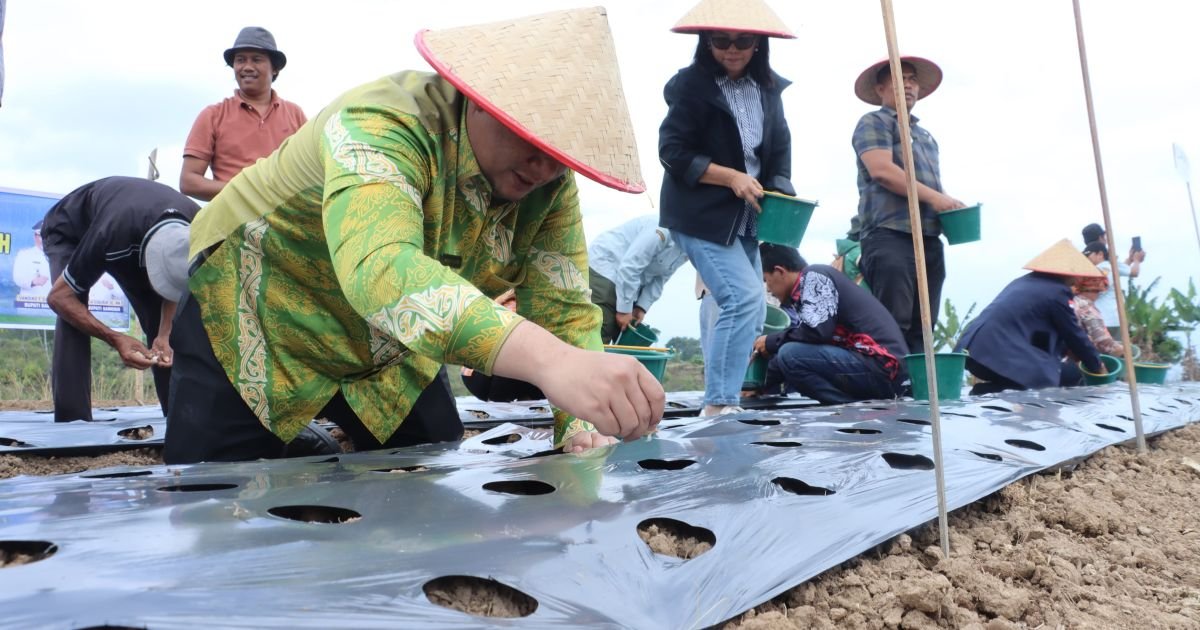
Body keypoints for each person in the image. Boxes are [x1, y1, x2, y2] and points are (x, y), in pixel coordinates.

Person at [165, 7, 663, 464]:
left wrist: (579, 422)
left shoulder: (548, 182)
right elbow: (382, 268)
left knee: (426, 465)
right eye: (533, 138)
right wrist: (552, 363)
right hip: (261, 306)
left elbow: (564, 305)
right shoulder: (383, 123)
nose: (546, 165)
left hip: (387, 345)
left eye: (564, 154)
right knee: (220, 496)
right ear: (481, 99)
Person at [659, 0, 796, 417]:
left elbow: (779, 155)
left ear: (758, 43)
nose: (732, 49)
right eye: (721, 40)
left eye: (743, 40)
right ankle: (718, 405)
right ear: (706, 42)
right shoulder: (690, 86)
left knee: (754, 310)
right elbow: (673, 152)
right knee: (740, 297)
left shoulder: (769, 90)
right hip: (700, 214)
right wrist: (731, 177)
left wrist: (782, 196)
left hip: (748, 219)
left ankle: (726, 400)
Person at [40, 177, 201, 421]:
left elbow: (176, 281)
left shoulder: (199, 227)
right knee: (73, 313)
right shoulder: (110, 234)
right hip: (71, 231)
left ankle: (178, 421)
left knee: (163, 326)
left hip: (136, 232)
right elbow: (59, 298)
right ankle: (73, 425)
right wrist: (115, 338)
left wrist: (166, 332)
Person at [852, 56, 965, 353]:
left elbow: (931, 187)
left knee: (923, 325)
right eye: (900, 80)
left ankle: (919, 394)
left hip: (928, 237)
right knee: (892, 323)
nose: (909, 85)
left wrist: (949, 204)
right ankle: (891, 392)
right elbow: (882, 171)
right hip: (890, 234)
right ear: (880, 89)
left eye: (913, 79)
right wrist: (938, 198)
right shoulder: (873, 122)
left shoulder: (925, 137)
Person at [752, 243, 908, 404]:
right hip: (875, 368)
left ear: (779, 271)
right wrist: (758, 387)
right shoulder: (806, 290)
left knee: (790, 354)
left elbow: (816, 332)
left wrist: (770, 341)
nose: (768, 289)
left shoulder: (814, 275)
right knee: (789, 354)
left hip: (884, 367)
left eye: (766, 280)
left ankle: (845, 407)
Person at [955, 240, 1105, 395]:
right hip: (995, 352)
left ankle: (986, 392)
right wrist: (1097, 365)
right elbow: (1073, 333)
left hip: (976, 349)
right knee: (1041, 384)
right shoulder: (1057, 292)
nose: (1078, 279)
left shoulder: (1025, 282)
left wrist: (1065, 349)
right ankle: (987, 394)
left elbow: (1036, 333)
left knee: (1037, 375)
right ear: (1066, 272)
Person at [180, 26, 306, 201]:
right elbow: (189, 181)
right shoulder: (212, 115)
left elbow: (309, 171)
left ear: (275, 68)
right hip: (230, 222)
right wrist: (246, 192)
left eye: (256, 60)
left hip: (286, 219)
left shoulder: (295, 114)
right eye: (240, 60)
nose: (247, 67)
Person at [588, 214, 688, 342]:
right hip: (607, 267)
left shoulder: (689, 248)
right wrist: (624, 311)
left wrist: (641, 307)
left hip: (630, 282)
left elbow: (661, 277)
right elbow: (630, 267)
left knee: (625, 334)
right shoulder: (661, 230)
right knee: (602, 330)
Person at [1083, 238, 1145, 337]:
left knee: (1108, 350)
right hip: (1114, 319)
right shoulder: (1110, 266)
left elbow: (1133, 272)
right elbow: (1129, 271)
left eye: (1088, 255)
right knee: (1116, 349)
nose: (1086, 259)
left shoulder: (1100, 269)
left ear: (1100, 254)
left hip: (1103, 319)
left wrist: (1136, 260)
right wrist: (1132, 260)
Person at [1072, 274, 1123, 356]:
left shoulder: (1072, 301)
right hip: (1080, 358)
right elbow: (1102, 340)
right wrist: (1122, 350)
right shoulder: (1086, 307)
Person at [11, 221, 52, 298]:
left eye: (47, 237)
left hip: (51, 305)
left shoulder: (58, 256)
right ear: (35, 237)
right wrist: (33, 282)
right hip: (28, 303)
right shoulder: (24, 255)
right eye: (41, 236)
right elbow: (17, 278)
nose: (44, 240)